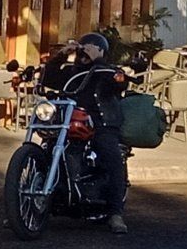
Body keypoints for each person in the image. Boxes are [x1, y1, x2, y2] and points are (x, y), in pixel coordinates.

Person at [42, 31, 131, 234]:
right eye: (84, 47)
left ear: (102, 51)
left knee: (111, 156)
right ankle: (27, 206)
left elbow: (120, 82)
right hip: (69, 123)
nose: (86, 51)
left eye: (92, 48)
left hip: (101, 124)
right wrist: (62, 54)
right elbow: (48, 76)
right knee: (48, 149)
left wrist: (97, 61)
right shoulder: (71, 73)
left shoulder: (106, 72)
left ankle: (115, 213)